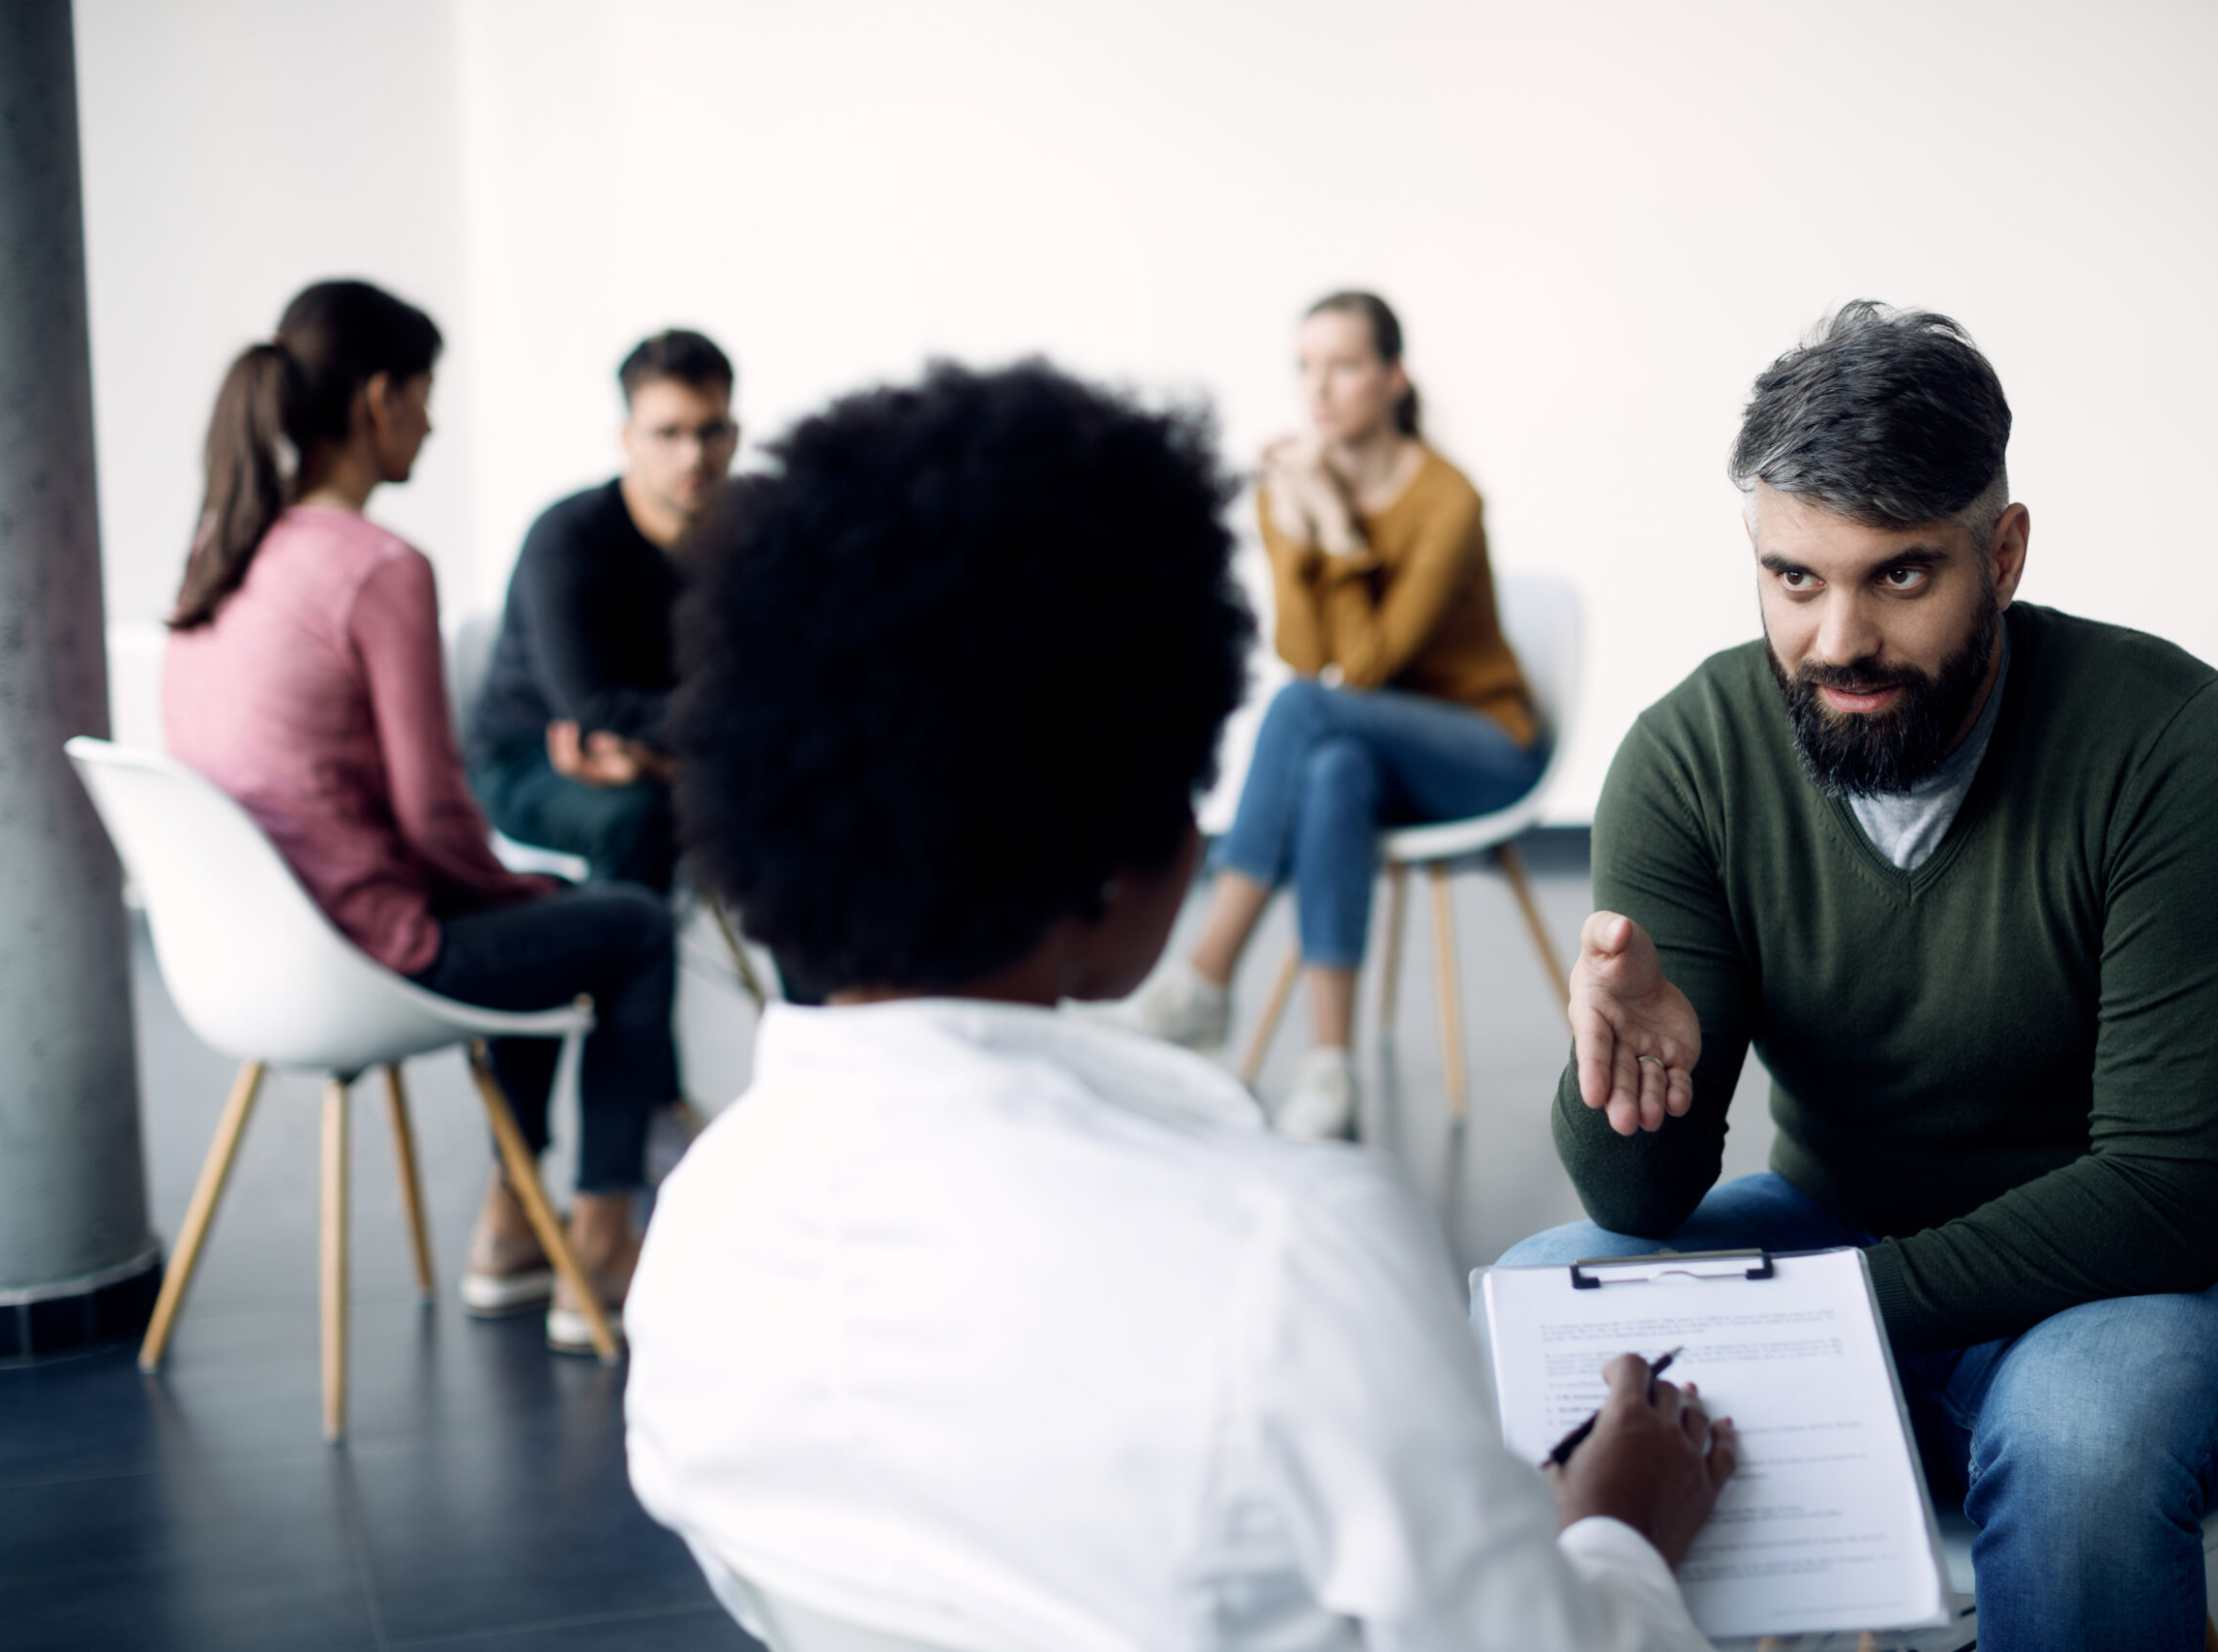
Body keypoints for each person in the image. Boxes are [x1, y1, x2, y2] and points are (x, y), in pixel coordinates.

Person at [624, 361, 1736, 1651]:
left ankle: (1218, 977)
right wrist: (1614, 1530)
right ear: (1131, 846)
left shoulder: (700, 1228)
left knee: (1326, 761)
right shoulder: (1292, 1251)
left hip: (1443, 741)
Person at [1500, 302, 2218, 1652]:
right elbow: (1641, 1199)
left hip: (2139, 1284)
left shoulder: (2176, 743)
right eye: (1794, 579)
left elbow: (2163, 1202)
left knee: (2083, 1440)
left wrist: (1816, 1314)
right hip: (1840, 1230)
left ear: (2003, 552)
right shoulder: (1689, 755)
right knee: (1537, 1299)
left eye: (1899, 577)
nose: (1836, 641)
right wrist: (1622, 1082)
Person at [162, 280, 681, 1354]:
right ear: (379, 399)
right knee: (623, 924)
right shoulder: (378, 567)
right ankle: (597, 1242)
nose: (435, 423)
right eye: (428, 395)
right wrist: (527, 890)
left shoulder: (222, 546)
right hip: (370, 950)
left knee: (549, 918)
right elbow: (439, 824)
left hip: (250, 957)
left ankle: (510, 1229)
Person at [1128, 291, 1544, 1140]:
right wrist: (1290, 529)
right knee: (1331, 767)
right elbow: (1302, 647)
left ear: (1394, 378)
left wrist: (1332, 529)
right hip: (1373, 748)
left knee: (1309, 714)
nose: (1319, 389)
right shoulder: (1295, 486)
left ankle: (1206, 974)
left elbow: (1359, 669)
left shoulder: (1447, 498)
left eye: (1345, 366)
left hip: (1481, 744)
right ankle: (1330, 1067)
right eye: (1306, 368)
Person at [463, 329, 739, 891]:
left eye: (710, 432)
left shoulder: (747, 534)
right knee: (641, 819)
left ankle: (819, 982)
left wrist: (680, 764)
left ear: (734, 434)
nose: (693, 456)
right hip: (533, 758)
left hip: (675, 746)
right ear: (627, 438)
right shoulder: (566, 539)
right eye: (668, 434)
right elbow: (595, 710)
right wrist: (732, 737)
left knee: (807, 801)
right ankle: (627, 974)